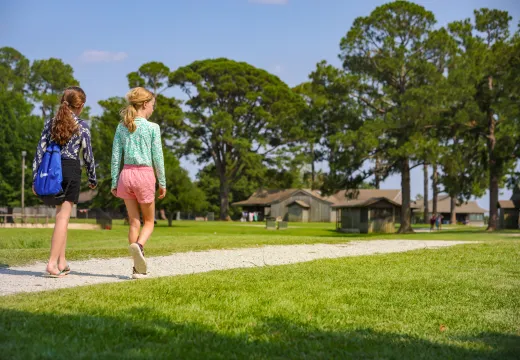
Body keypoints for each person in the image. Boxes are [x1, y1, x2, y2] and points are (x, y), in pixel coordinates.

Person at [32, 86, 97, 277]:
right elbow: (88, 154)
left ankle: (62, 261)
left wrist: (35, 177)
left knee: (61, 217)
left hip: (51, 169)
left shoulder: (50, 123)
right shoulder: (82, 126)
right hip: (69, 170)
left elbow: (39, 150)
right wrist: (92, 177)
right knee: (63, 217)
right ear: (81, 105)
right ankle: (52, 264)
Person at [111, 87, 166, 279]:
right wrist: (162, 182)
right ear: (144, 104)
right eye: (152, 105)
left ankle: (137, 268)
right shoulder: (152, 128)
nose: (152, 109)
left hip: (126, 175)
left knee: (134, 222)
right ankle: (140, 248)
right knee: (149, 221)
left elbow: (116, 156)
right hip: (144, 175)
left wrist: (113, 180)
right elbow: (157, 157)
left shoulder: (122, 126)